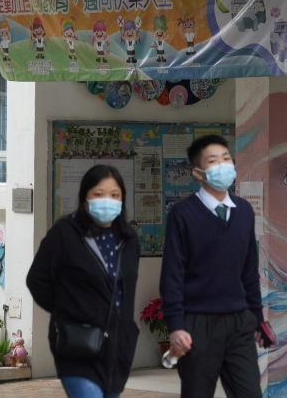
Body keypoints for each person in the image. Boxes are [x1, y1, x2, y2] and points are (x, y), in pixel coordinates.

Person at [160, 135, 265, 398]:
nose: (223, 165)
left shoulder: (244, 211)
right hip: (198, 325)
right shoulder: (182, 214)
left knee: (250, 393)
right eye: (213, 161)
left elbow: (249, 271)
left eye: (226, 159)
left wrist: (258, 320)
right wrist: (175, 326)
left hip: (240, 322)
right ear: (199, 173)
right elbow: (172, 275)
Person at [28, 165, 140, 398]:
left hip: (116, 348)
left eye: (114, 195)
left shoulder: (128, 241)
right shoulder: (64, 234)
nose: (107, 200)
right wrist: (69, 310)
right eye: (99, 194)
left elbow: (125, 291)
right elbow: (37, 280)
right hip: (78, 344)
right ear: (85, 197)